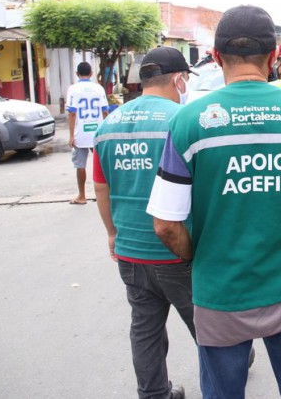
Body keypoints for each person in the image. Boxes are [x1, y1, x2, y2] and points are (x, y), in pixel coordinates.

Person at [147, 5, 281, 398]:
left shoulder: (189, 121)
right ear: (274, 58)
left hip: (219, 296)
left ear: (217, 56)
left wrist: (197, 256)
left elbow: (166, 225)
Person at [93, 47, 197, 399]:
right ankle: (233, 365)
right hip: (177, 248)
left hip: (131, 250)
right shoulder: (184, 120)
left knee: (145, 327)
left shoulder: (108, 125)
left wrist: (111, 234)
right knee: (206, 322)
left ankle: (154, 394)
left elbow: (101, 186)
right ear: (179, 78)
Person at [66, 62, 109, 205]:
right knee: (102, 164)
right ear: (91, 73)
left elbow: (72, 114)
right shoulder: (98, 88)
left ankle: (82, 195)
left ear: (77, 74)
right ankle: (105, 194)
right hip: (97, 132)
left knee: (80, 165)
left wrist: (71, 135)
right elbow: (105, 111)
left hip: (81, 133)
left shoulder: (73, 89)